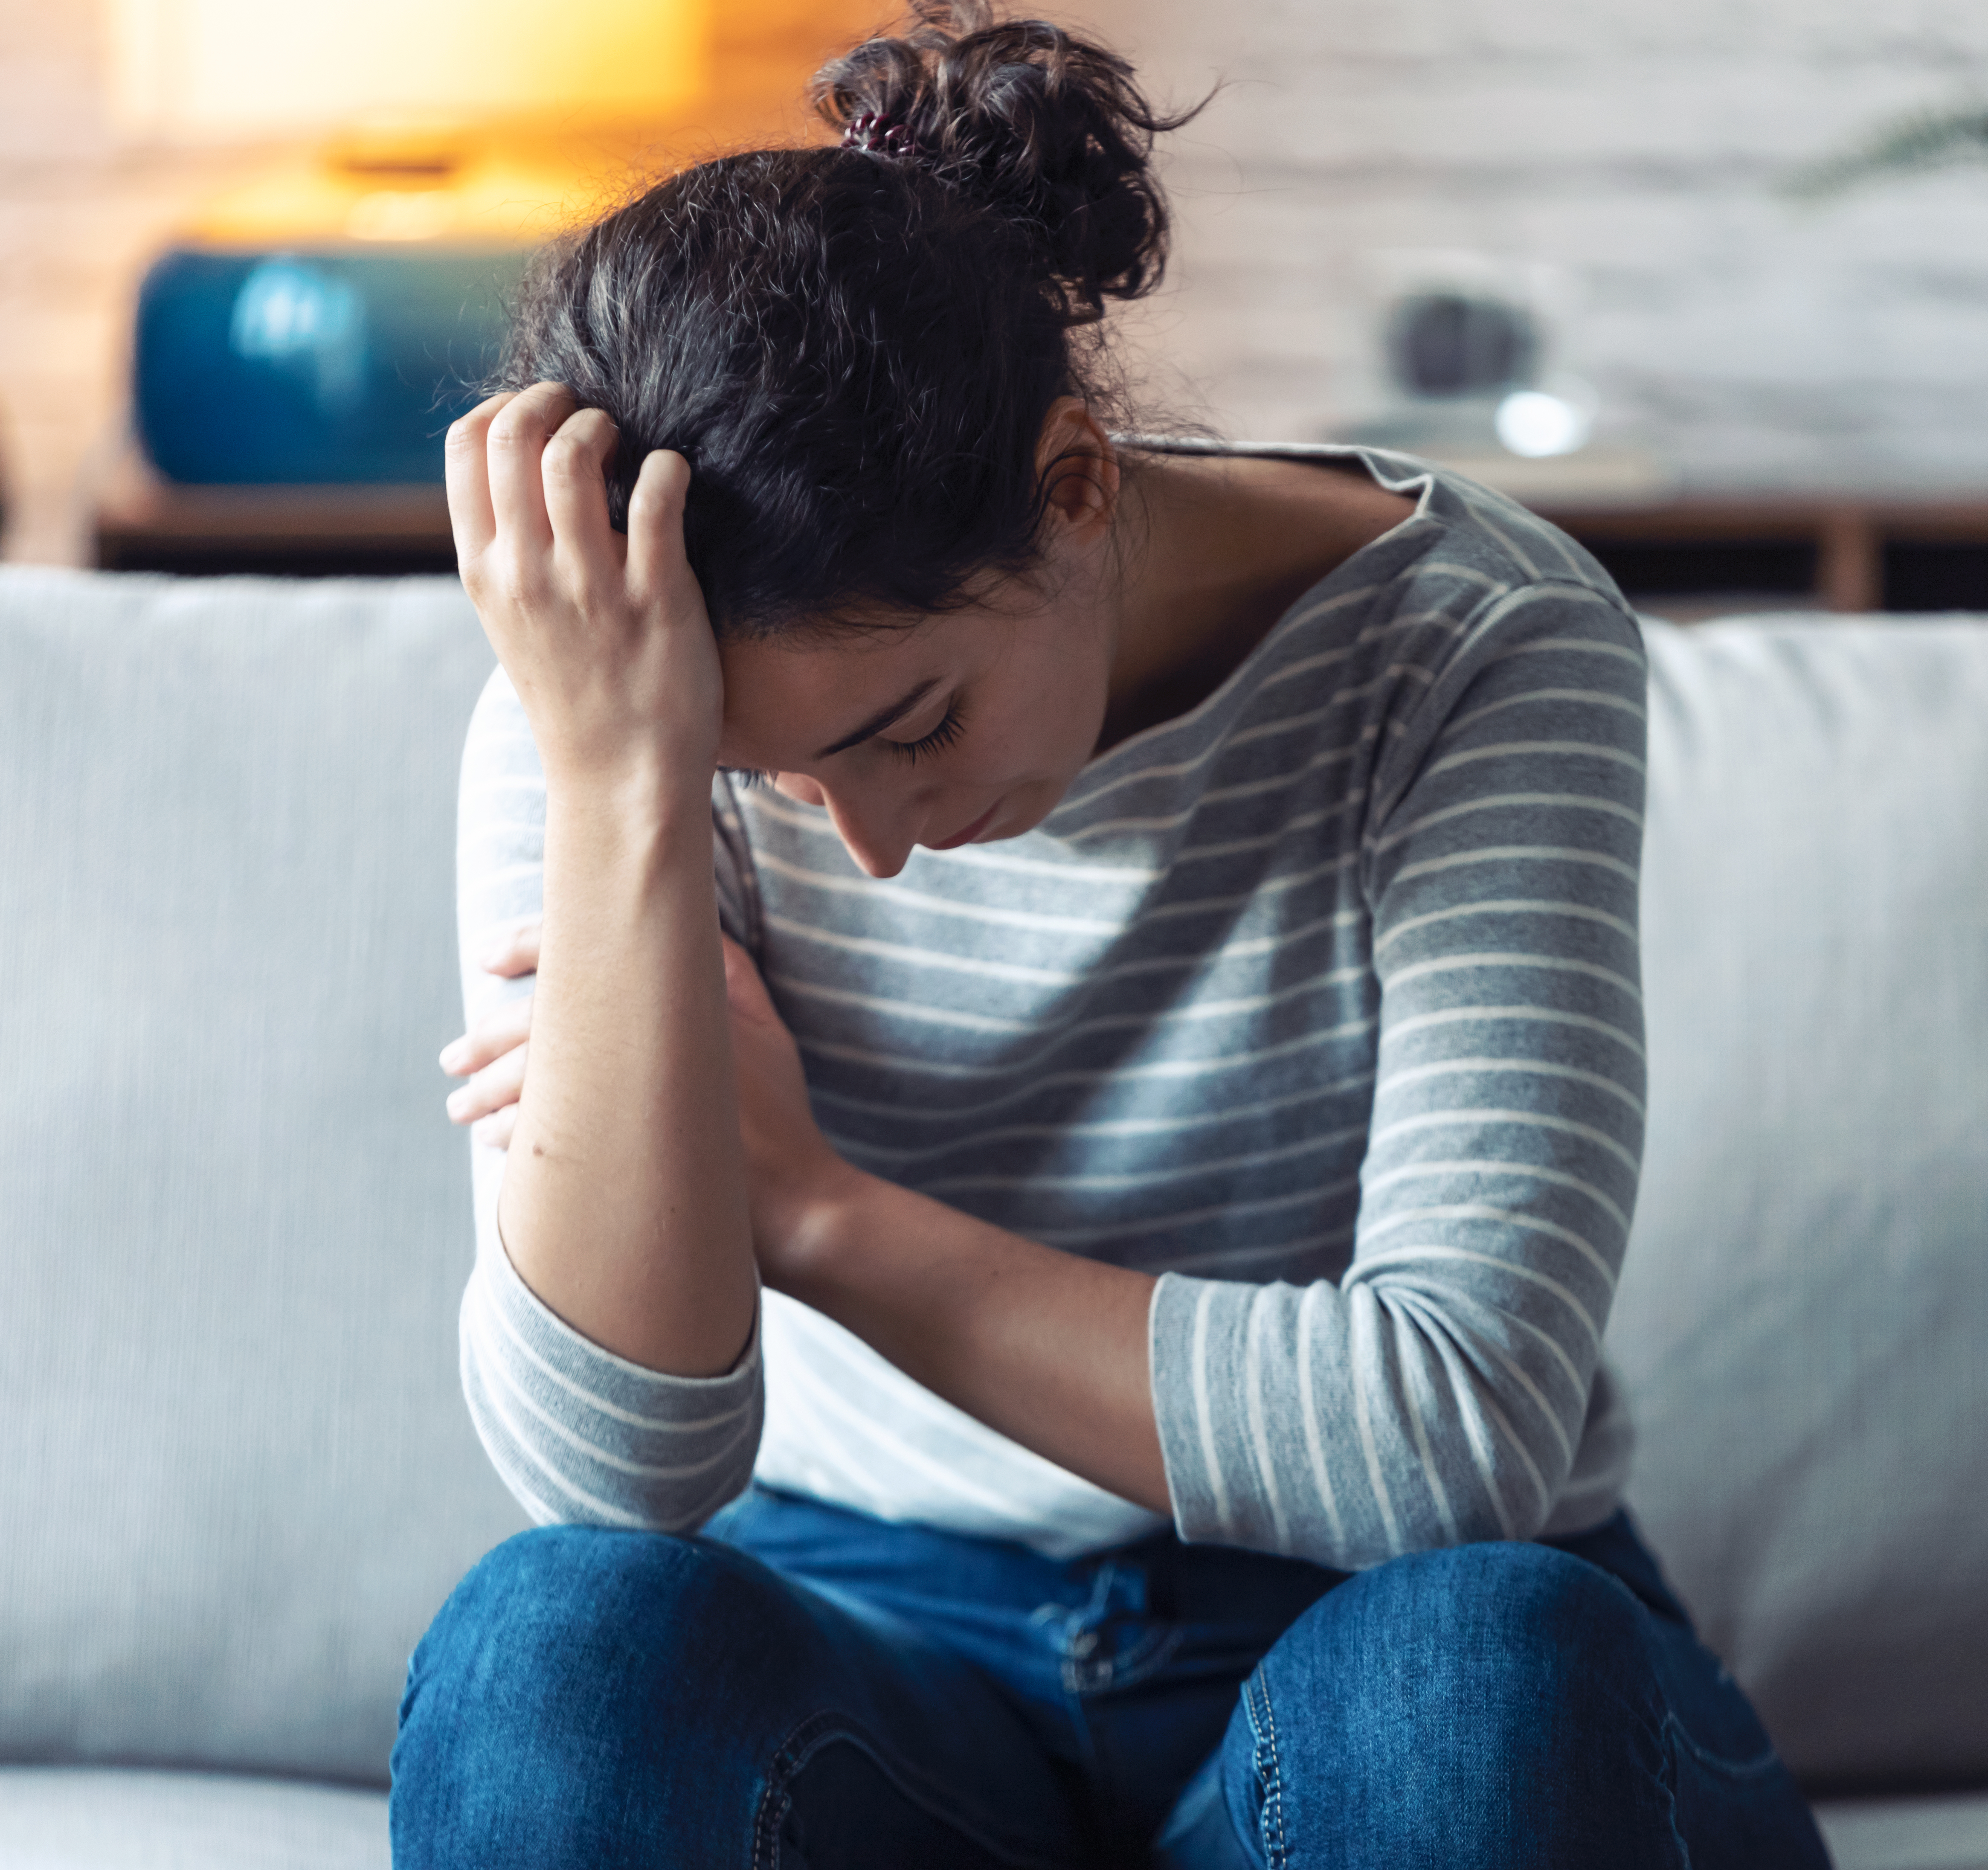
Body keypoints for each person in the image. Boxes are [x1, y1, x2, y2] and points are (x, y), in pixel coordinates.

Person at [402, 5, 1828, 1865]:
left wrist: (814, 1210)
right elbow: (618, 1474)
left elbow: (1447, 1441)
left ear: (1075, 484)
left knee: (1478, 1673)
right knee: (557, 1651)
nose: (881, 847)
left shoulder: (1478, 643)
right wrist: (624, 798)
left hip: (1359, 1633)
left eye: (912, 724)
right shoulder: (604, 711)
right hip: (868, 1638)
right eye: (779, 782)